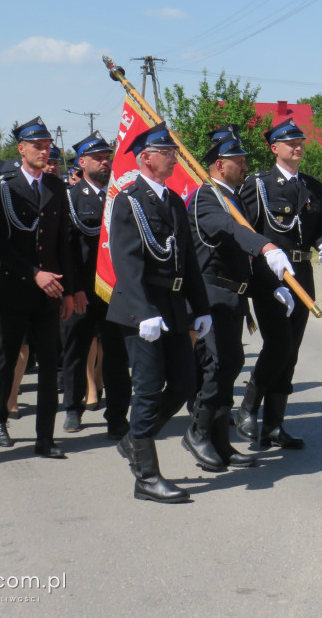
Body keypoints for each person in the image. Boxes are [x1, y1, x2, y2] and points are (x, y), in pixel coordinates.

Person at [108, 122, 212, 503]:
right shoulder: (129, 200)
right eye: (166, 152)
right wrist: (144, 311)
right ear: (145, 158)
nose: (174, 157)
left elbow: (188, 260)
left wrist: (201, 308)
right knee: (149, 391)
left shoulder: (171, 200)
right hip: (142, 310)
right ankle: (146, 478)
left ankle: (134, 440)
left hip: (173, 306)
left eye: (174, 152)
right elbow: (126, 262)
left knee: (185, 383)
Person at [184, 125, 294, 471]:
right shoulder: (206, 198)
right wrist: (266, 244)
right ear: (220, 165)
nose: (245, 167)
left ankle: (220, 444)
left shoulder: (230, 199)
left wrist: (270, 282)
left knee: (230, 367)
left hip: (233, 297)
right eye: (239, 161)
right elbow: (232, 231)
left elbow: (242, 255)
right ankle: (198, 432)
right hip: (211, 296)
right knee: (220, 367)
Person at [237, 118, 322, 449]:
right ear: (274, 148)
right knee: (277, 345)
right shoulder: (258, 184)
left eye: (300, 141)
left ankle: (274, 426)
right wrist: (258, 276)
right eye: (290, 142)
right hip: (270, 276)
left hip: (302, 274)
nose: (298, 146)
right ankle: (247, 409)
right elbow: (245, 232)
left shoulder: (312, 185)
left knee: (290, 351)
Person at [0, 117, 79, 458]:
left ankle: (45, 437)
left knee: (49, 363)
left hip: (50, 292)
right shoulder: (5, 185)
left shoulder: (56, 188)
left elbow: (62, 243)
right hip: (13, 288)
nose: (45, 151)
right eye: (37, 146)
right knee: (7, 358)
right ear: (21, 149)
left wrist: (67, 290)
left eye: (48, 147)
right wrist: (33, 273)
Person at [60, 130, 131, 439]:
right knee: (75, 351)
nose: (105, 161)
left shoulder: (120, 196)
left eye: (107, 156)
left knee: (117, 355)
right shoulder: (71, 199)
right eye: (98, 157)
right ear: (81, 162)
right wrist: (73, 289)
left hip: (115, 291)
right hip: (83, 291)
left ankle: (117, 415)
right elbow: (66, 251)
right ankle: (72, 408)